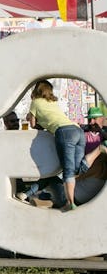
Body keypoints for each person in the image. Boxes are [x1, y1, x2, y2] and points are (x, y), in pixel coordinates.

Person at [25, 80, 87, 210]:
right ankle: (97, 152)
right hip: (78, 131)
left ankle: (70, 204)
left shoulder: (35, 102)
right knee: (77, 168)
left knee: (68, 170)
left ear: (37, 90)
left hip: (64, 132)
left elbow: (32, 123)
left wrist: (31, 117)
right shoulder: (52, 101)